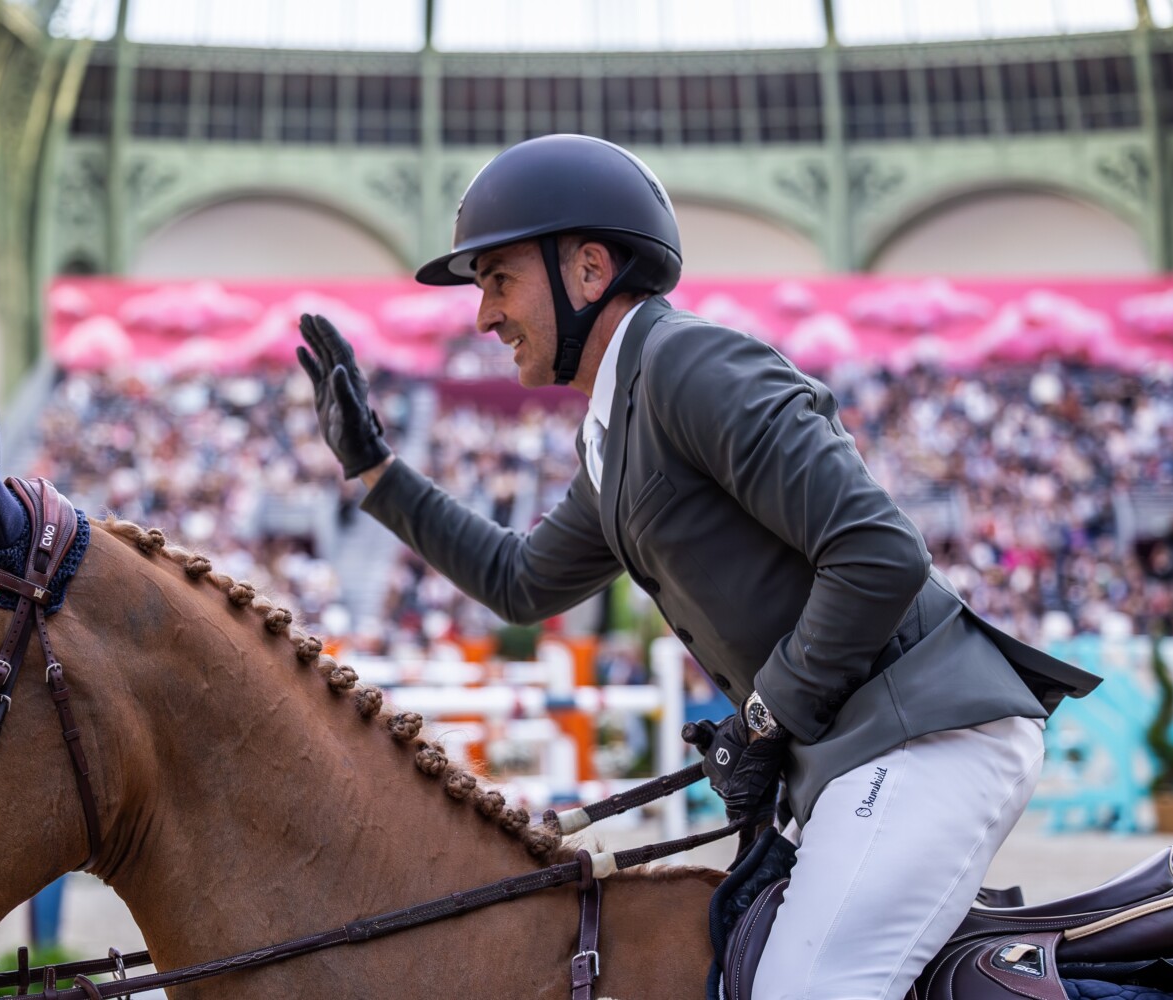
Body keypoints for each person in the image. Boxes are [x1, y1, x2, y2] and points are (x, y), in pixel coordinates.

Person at [297, 133, 1100, 999]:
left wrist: (765, 716)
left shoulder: (688, 363)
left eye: (498, 281)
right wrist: (376, 471)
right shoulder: (613, 432)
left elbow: (878, 551)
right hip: (864, 757)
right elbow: (521, 581)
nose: (485, 317)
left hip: (928, 738)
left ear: (590, 269)